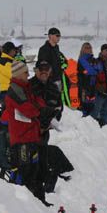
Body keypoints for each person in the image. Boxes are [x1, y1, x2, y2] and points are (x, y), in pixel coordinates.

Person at [1, 61, 53, 207]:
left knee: (35, 170)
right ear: (18, 74)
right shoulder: (15, 90)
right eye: (25, 72)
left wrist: (45, 110)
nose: (28, 74)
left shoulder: (26, 88)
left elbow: (37, 102)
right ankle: (21, 205)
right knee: (23, 171)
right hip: (21, 139)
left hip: (31, 135)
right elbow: (28, 108)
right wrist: (41, 113)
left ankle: (38, 201)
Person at [29, 60, 72, 194]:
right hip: (31, 129)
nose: (44, 72)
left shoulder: (53, 87)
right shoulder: (29, 86)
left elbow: (59, 108)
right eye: (41, 69)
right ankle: (32, 187)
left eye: (46, 69)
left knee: (43, 155)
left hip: (45, 129)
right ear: (36, 70)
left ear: (50, 71)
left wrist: (51, 123)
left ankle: (44, 187)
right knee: (32, 158)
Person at [37, 27, 68, 103]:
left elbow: (63, 60)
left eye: (59, 36)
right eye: (57, 35)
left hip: (58, 78)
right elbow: (42, 65)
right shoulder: (44, 49)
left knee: (58, 101)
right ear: (50, 36)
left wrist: (64, 64)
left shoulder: (56, 48)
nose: (59, 37)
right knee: (51, 101)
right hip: (49, 81)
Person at [91, 44, 107, 126]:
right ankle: (90, 127)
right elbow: (93, 75)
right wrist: (97, 85)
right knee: (96, 110)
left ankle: (104, 127)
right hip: (100, 90)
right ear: (102, 51)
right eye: (106, 50)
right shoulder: (97, 61)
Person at [77, 43, 101, 117]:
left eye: (90, 47)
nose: (89, 49)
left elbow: (99, 69)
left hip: (93, 86)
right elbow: (92, 71)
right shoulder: (81, 59)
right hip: (84, 86)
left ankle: (90, 125)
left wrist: (90, 71)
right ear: (83, 49)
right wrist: (92, 70)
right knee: (84, 105)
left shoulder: (94, 59)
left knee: (91, 106)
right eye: (86, 47)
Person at [0, 41, 18, 108]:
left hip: (9, 91)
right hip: (8, 92)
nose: (15, 52)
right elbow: (14, 75)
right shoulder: (5, 62)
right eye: (14, 50)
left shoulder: (8, 61)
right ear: (10, 51)